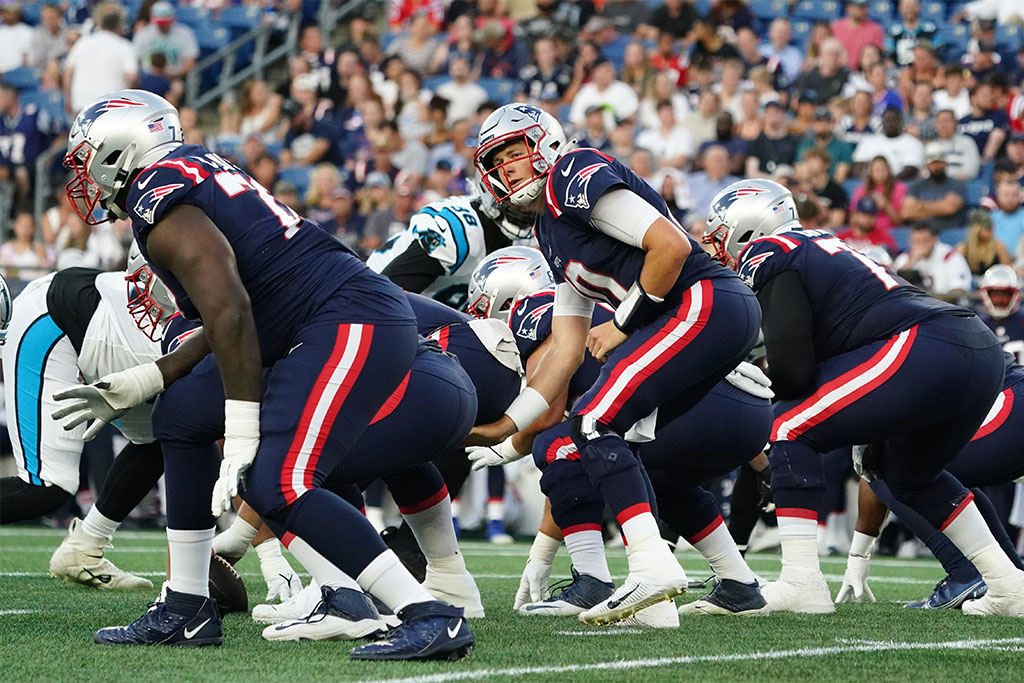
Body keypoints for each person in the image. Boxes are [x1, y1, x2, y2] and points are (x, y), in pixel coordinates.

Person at [53, 90, 474, 658]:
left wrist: (243, 425)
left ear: (120, 152)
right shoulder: (192, 169)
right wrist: (150, 379)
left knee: (278, 482)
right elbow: (235, 309)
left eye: (87, 160)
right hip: (308, 323)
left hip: (345, 320)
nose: (85, 178)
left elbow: (230, 309)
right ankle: (187, 606)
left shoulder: (158, 200)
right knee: (178, 415)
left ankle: (428, 613)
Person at [471, 103, 762, 624]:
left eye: (516, 151)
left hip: (704, 299)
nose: (508, 167)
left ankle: (651, 567)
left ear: (546, 144)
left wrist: (624, 323)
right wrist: (505, 428)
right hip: (699, 314)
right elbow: (564, 350)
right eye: (498, 160)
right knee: (635, 449)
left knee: (590, 421)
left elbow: (669, 246)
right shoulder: (548, 234)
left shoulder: (570, 174)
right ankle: (732, 587)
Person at [705, 177, 1024, 617]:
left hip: (924, 345)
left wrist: (762, 379)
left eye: (720, 234)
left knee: (785, 423)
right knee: (905, 474)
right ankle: (1008, 584)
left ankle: (801, 581)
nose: (718, 247)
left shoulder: (770, 251)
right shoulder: (823, 244)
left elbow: (795, 373)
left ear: (748, 226)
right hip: (974, 348)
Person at [465, 254, 771, 620]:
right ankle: (739, 585)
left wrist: (507, 446)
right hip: (745, 410)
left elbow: (545, 421)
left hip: (696, 406)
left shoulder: (536, 310)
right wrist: (542, 553)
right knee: (660, 479)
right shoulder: (597, 301)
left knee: (558, 443)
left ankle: (596, 581)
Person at [367, 182, 534, 310]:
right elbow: (382, 297)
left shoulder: (528, 241)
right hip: (377, 299)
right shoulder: (459, 232)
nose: (526, 203)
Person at [62, 4, 138, 114]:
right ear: (119, 25)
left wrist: (68, 99)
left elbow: (68, 73)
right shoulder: (124, 46)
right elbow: (132, 78)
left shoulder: (82, 42)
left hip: (81, 105)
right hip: (111, 107)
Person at [893, 223, 973, 302]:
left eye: (924, 241)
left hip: (948, 308)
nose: (920, 246)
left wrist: (936, 304)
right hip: (916, 307)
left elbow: (959, 289)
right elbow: (894, 286)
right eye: (916, 241)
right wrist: (911, 262)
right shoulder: (904, 258)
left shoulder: (951, 257)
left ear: (935, 239)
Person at [901, 142, 968, 231]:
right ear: (926, 165)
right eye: (933, 163)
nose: (936, 166)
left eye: (939, 162)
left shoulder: (957, 185)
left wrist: (919, 206)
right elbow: (906, 212)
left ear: (945, 163)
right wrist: (940, 206)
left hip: (947, 231)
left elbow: (949, 208)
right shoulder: (915, 186)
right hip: (920, 233)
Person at [852, 107, 925, 180]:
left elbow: (911, 170)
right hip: (870, 185)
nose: (890, 124)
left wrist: (889, 184)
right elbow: (858, 166)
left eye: (894, 120)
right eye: (887, 120)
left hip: (901, 184)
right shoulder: (869, 141)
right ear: (882, 122)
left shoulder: (913, 143)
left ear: (901, 122)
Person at [977, 265, 1024, 362]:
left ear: (1016, 295)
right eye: (995, 294)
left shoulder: (1022, 321)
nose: (1000, 300)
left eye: (1005, 295)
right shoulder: (977, 323)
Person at [849, 156, 907, 233]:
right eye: (876, 170)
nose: (880, 173)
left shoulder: (899, 188)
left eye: (883, 170)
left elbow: (900, 222)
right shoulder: (862, 190)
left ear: (889, 171)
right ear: (871, 172)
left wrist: (886, 205)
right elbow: (853, 217)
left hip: (890, 231)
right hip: (866, 231)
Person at [958, 210, 1012, 277]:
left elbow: (1008, 270)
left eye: (991, 228)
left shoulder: (998, 246)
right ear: (976, 230)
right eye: (987, 228)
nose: (990, 231)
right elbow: (957, 271)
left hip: (993, 283)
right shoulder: (962, 248)